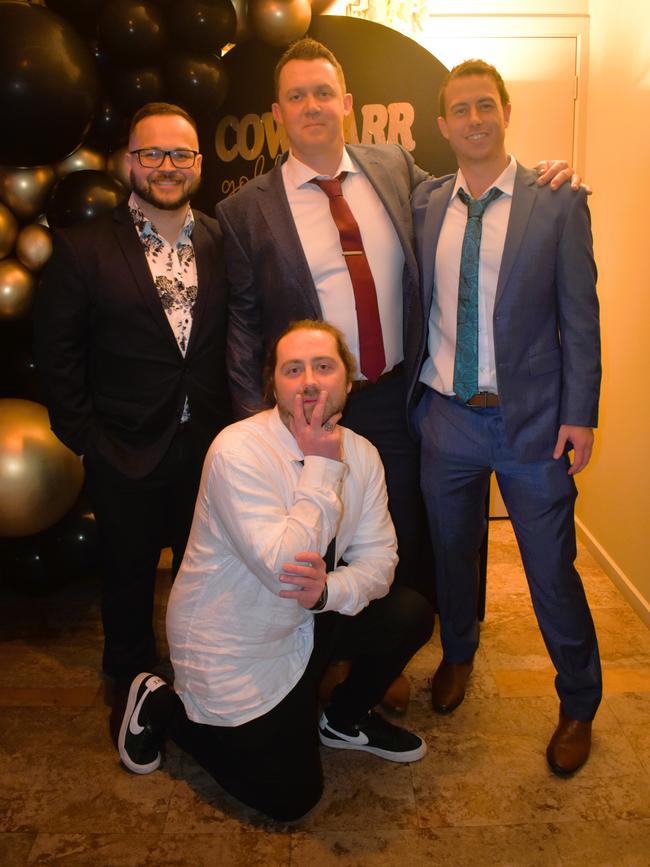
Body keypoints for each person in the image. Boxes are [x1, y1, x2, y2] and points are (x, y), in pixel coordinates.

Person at [216, 37, 577, 705]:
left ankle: (390, 655)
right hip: (309, 413)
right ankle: (322, 661)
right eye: (297, 96)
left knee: (407, 534)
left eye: (324, 92)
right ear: (277, 112)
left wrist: (539, 178)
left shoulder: (394, 168)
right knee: (316, 538)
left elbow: (476, 194)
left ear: (347, 103)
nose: (313, 106)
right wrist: (256, 429)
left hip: (399, 396)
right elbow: (242, 326)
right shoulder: (246, 211)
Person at [116, 320, 435, 822]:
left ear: (347, 384)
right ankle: (159, 704)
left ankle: (343, 721)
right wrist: (322, 467)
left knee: (410, 613)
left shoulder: (365, 456)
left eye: (324, 367)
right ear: (274, 388)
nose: (310, 381)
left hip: (307, 616)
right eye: (293, 370)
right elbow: (284, 571)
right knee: (290, 798)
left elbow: (380, 561)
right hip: (234, 641)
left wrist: (330, 591)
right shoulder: (237, 450)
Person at [408, 59, 602, 776]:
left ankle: (579, 698)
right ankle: (459, 651)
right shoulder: (425, 202)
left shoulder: (557, 201)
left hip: (533, 424)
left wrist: (580, 413)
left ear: (506, 111)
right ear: (442, 125)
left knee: (552, 570)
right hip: (446, 419)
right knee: (452, 555)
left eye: (486, 106)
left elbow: (581, 319)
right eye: (460, 109)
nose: (474, 120)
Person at [34, 102, 232, 693]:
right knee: (127, 582)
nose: (166, 166)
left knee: (211, 577)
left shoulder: (224, 241)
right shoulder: (82, 248)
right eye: (152, 154)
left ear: (198, 163)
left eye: (180, 154)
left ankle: (206, 681)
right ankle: (130, 689)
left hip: (209, 451)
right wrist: (90, 441)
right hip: (125, 453)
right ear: (129, 162)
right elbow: (57, 356)